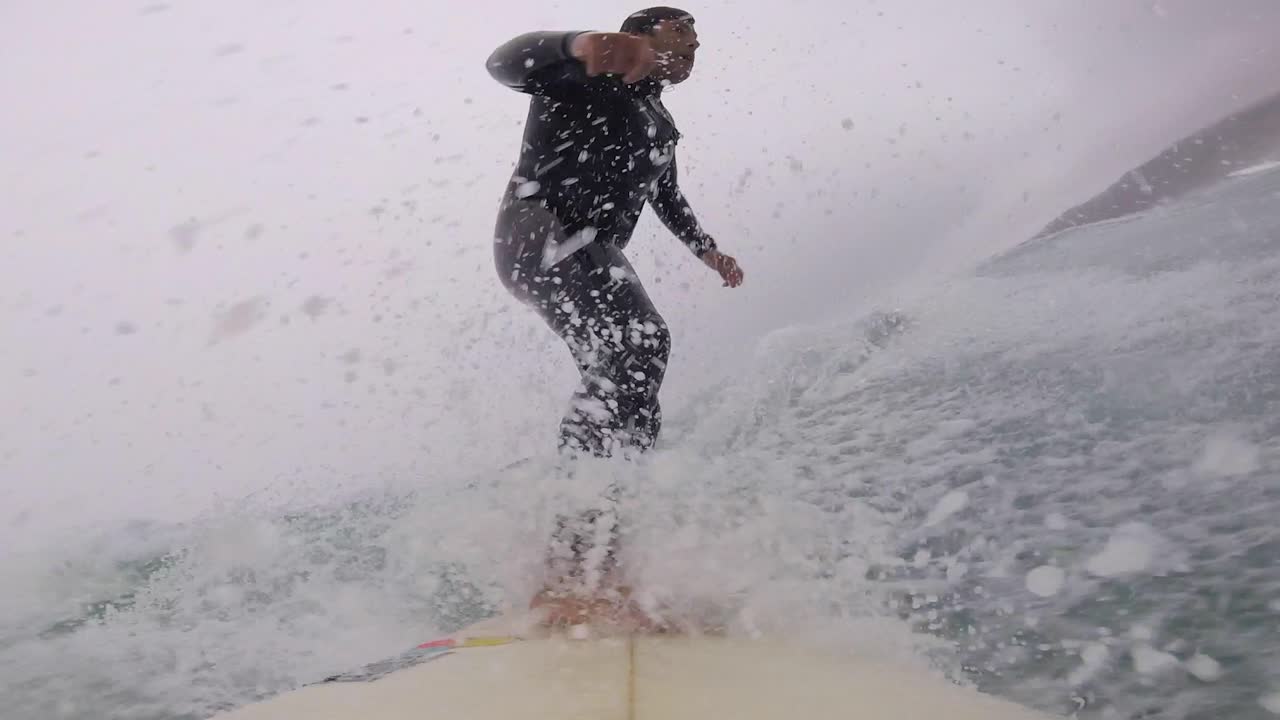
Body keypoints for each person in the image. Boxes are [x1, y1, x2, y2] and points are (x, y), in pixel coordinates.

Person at [486, 7, 743, 627]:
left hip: (590, 248)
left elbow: (667, 197)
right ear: (639, 34)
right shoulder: (583, 74)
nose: (692, 48)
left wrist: (707, 249)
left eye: (698, 42)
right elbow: (505, 62)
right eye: (681, 34)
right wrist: (580, 46)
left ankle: (603, 552)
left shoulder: (659, 120)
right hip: (539, 229)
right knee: (641, 344)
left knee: (634, 387)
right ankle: (570, 564)